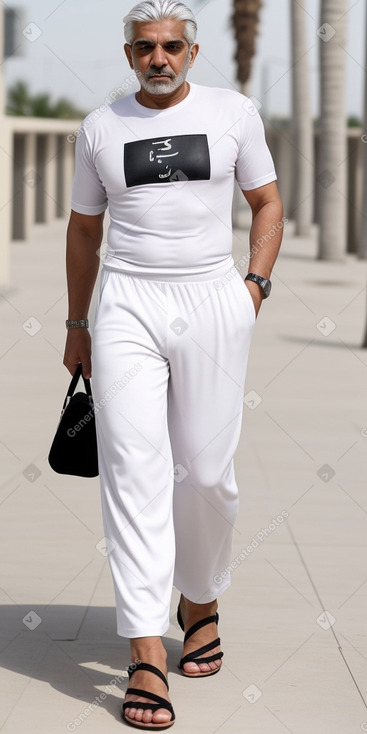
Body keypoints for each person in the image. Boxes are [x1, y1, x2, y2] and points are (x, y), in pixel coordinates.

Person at [63, 0, 283, 729]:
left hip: (212, 301)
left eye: (171, 47)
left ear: (191, 53)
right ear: (128, 56)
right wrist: (77, 322)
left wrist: (251, 287)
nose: (158, 58)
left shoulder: (233, 112)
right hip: (126, 304)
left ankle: (200, 597)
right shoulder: (101, 127)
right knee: (134, 467)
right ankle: (146, 651)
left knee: (208, 474)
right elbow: (85, 227)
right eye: (144, 48)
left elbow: (266, 201)